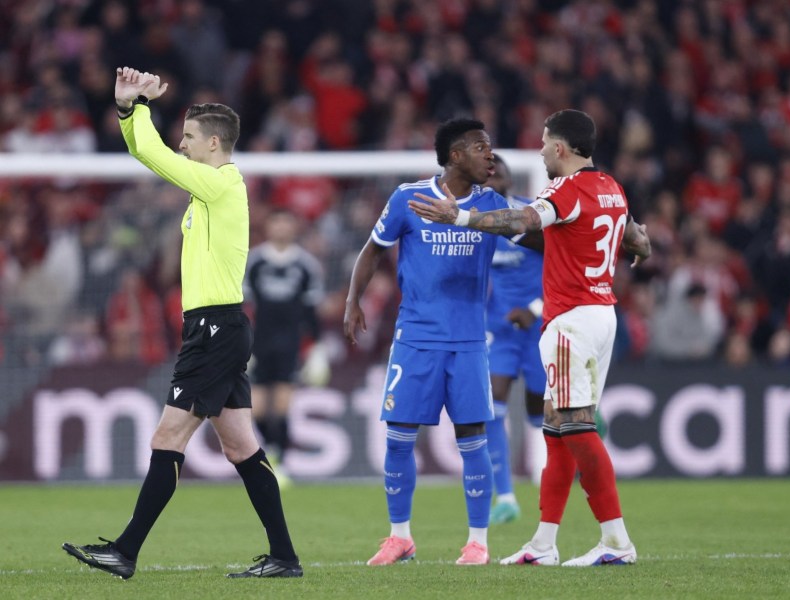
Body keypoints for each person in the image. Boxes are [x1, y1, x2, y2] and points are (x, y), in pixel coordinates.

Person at [62, 67, 302, 579]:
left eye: (190, 138)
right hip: (218, 329)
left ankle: (125, 551)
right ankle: (284, 557)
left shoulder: (218, 185)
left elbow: (151, 154)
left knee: (167, 438)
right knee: (241, 446)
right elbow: (147, 152)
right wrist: (129, 110)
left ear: (215, 143)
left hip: (216, 330)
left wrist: (134, 109)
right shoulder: (210, 192)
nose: (183, 145)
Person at [409, 109, 651, 567]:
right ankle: (543, 544)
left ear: (560, 148)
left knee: (577, 430)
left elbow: (523, 220)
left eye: (543, 143)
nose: (539, 151)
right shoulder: (611, 188)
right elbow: (636, 239)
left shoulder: (564, 189)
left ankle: (617, 541)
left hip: (572, 321)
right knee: (558, 432)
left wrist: (458, 217)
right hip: (602, 315)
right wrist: (644, 246)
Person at [344, 118, 508, 566]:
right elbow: (374, 248)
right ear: (455, 155)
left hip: (470, 342)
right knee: (398, 439)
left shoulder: (493, 206)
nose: (489, 155)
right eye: (480, 147)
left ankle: (478, 542)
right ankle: (401, 538)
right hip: (415, 339)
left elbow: (537, 239)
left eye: (489, 148)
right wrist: (352, 300)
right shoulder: (407, 198)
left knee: (473, 437)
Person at [482, 154, 546, 526]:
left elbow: (562, 269)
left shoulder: (531, 216)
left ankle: (545, 477)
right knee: (492, 408)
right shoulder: (476, 224)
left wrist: (534, 309)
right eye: (486, 175)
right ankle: (504, 495)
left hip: (538, 327)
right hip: (499, 331)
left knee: (541, 413)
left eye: (498, 173)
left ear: (509, 179)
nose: (492, 179)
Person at [245, 209, 329, 477]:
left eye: (286, 223)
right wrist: (241, 344)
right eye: (276, 222)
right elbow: (243, 307)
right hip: (258, 345)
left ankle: (278, 463)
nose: (281, 228)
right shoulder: (254, 262)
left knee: (281, 407)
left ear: (294, 228)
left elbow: (311, 312)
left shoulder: (306, 265)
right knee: (256, 410)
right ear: (268, 227)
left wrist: (316, 349)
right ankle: (272, 450)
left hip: (289, 345)